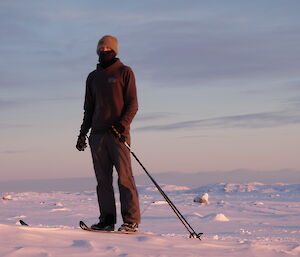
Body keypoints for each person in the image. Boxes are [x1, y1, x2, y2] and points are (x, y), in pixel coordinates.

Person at [76, 35, 141, 232]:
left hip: (117, 135)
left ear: (114, 50)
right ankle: (107, 220)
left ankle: (131, 221)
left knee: (124, 178)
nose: (103, 51)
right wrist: (82, 134)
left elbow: (133, 104)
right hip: (97, 136)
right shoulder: (92, 77)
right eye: (100, 48)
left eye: (107, 48)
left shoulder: (124, 72)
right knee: (102, 181)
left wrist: (122, 125)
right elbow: (88, 109)